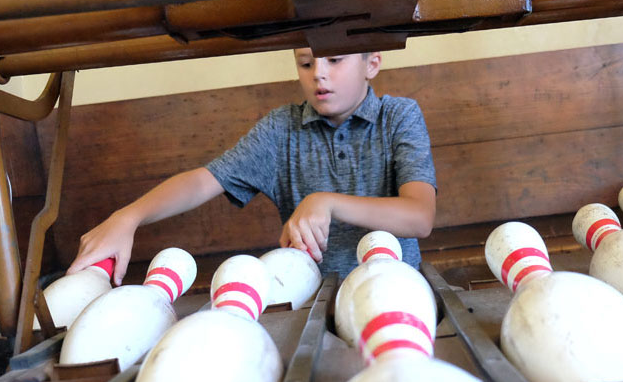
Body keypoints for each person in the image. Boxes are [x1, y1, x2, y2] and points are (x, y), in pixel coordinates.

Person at [67, 49, 437, 285]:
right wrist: (127, 217)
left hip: (398, 294)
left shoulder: (399, 116)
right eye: (305, 63)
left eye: (334, 60)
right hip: (312, 303)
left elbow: (420, 217)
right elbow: (202, 182)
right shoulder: (282, 129)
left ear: (372, 63)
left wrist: (327, 201)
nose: (318, 74)